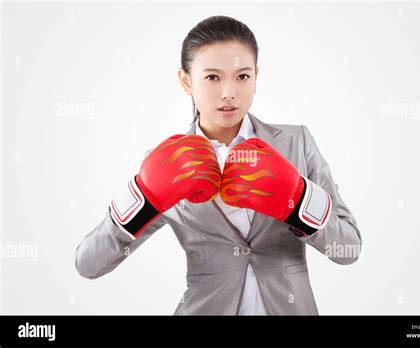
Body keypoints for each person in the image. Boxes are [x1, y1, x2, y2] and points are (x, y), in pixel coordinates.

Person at [75, 15, 362, 315]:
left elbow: (349, 250)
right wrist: (143, 197)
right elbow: (88, 264)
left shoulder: (295, 142)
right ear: (186, 81)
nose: (229, 93)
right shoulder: (165, 160)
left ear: (256, 77)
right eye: (212, 77)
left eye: (242, 76)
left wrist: (299, 200)